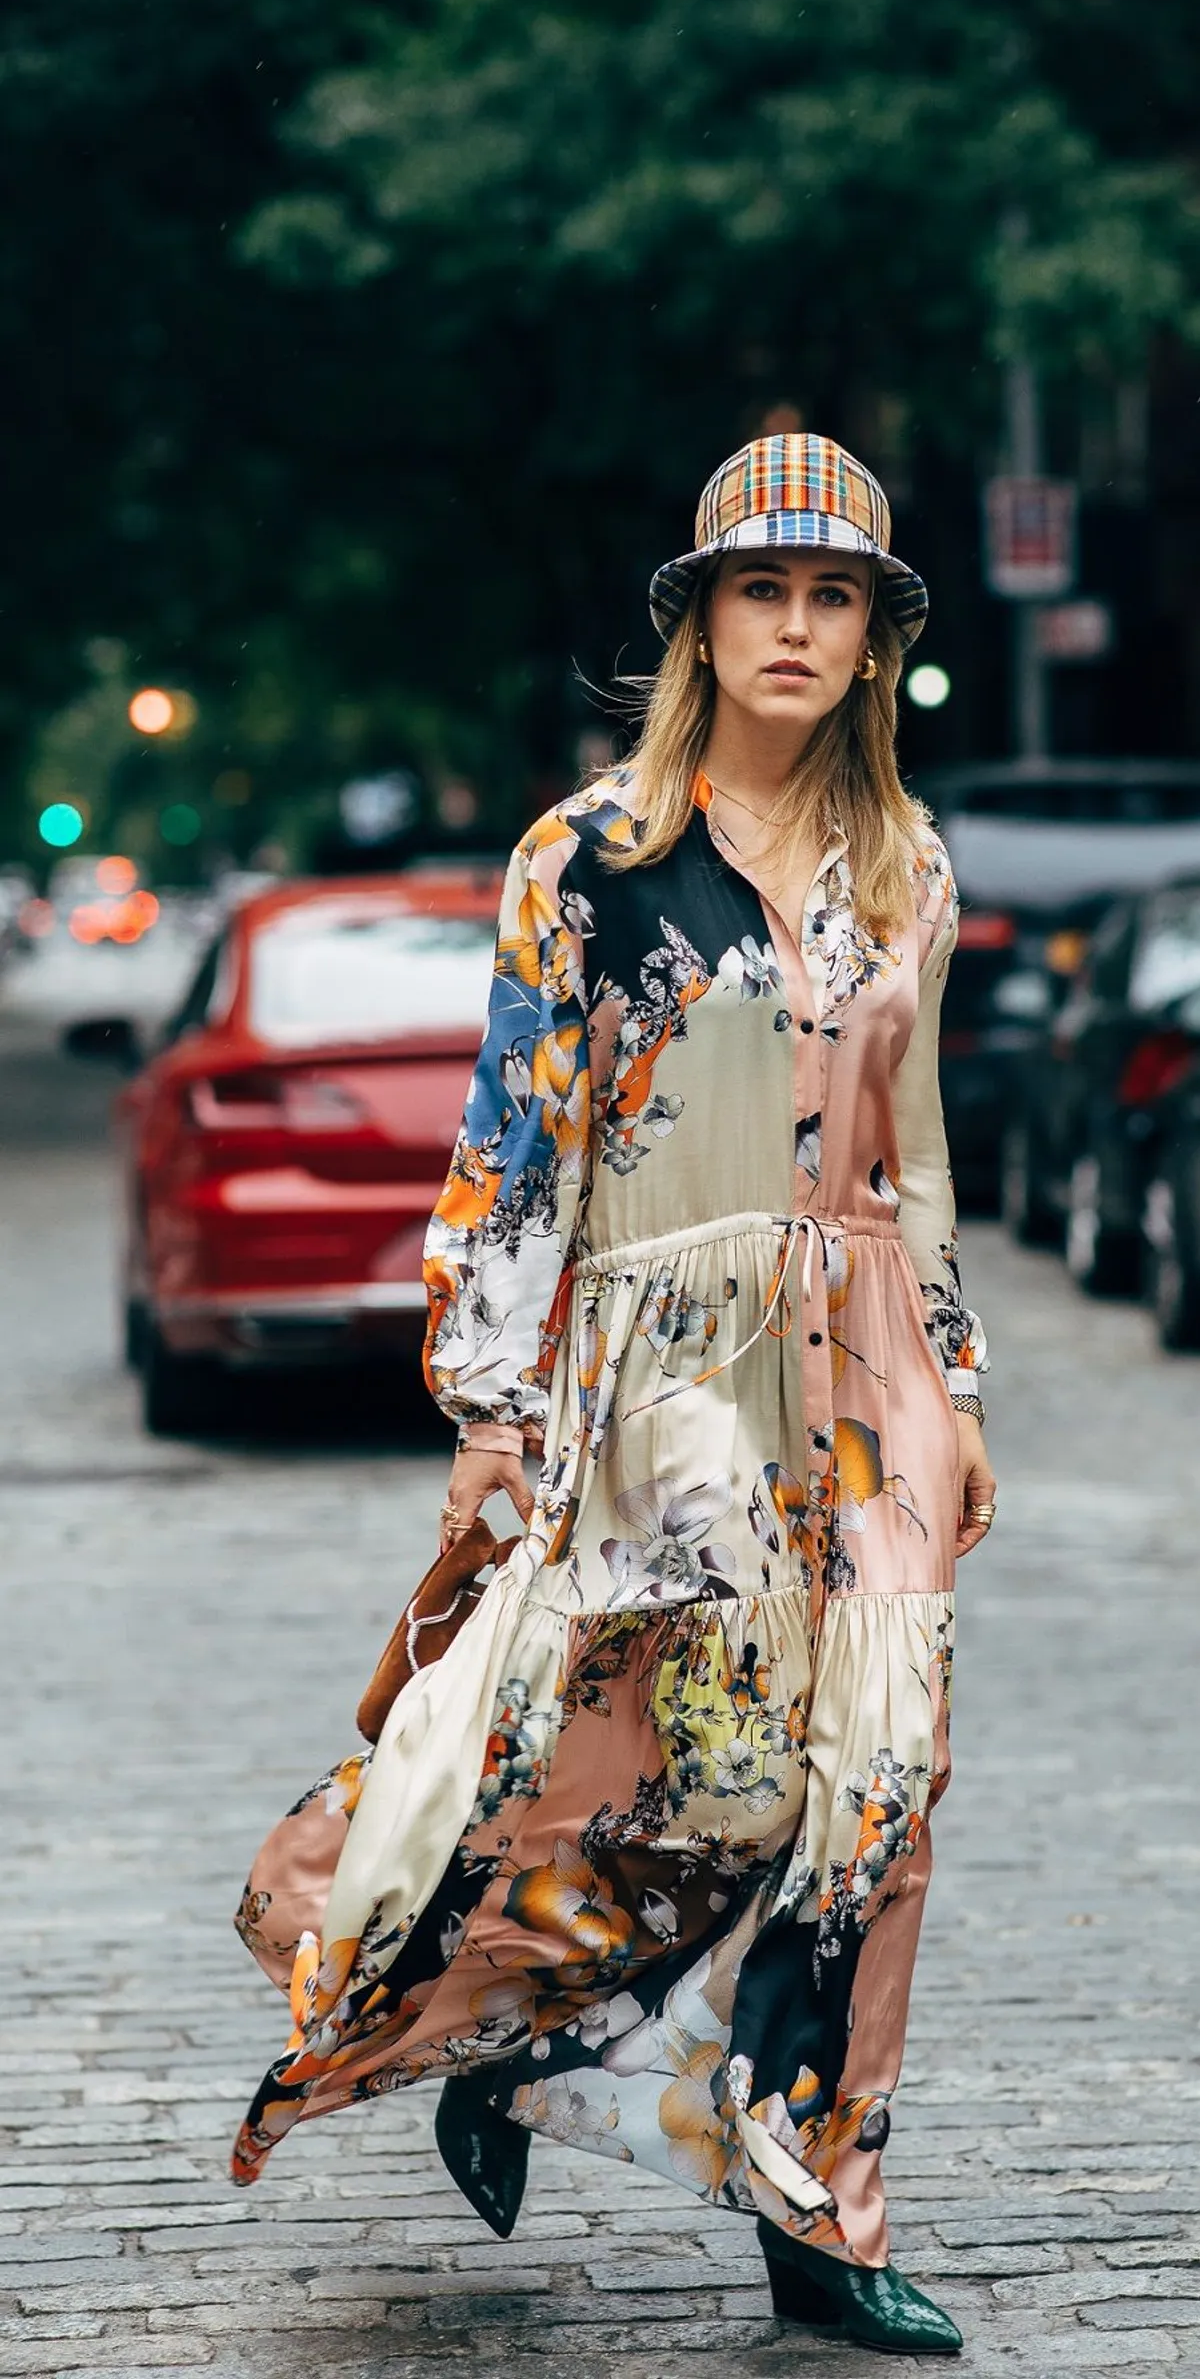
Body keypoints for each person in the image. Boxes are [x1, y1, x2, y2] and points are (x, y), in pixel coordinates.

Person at [230, 433, 995, 2355]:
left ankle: (824, 2213)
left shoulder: (908, 865)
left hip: (874, 1356)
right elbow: (514, 1139)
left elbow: (918, 1148)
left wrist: (960, 1379)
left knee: (885, 1789)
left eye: (836, 599)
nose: (799, 628)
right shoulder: (589, 858)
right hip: (673, 1371)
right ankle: (536, 2045)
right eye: (765, 592)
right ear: (704, 622)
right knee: (688, 1775)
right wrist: (489, 1393)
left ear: (875, 634)